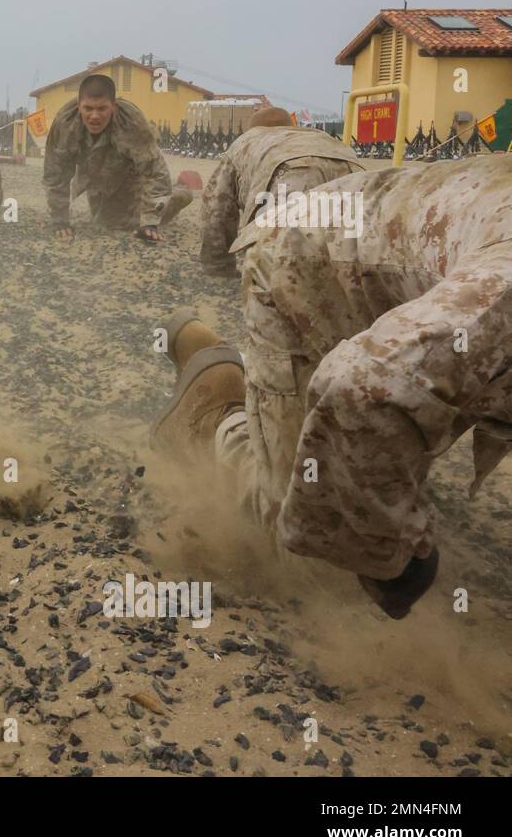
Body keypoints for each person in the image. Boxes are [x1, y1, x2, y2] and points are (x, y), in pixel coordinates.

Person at [150, 155, 512, 620]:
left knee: (369, 462)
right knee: (304, 543)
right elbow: (365, 389)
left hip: (394, 279)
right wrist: (392, 557)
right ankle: (217, 401)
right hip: (301, 264)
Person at [199, 106, 362, 277]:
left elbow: (216, 207)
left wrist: (217, 264)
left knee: (276, 261)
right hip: (351, 170)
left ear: (253, 130)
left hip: (289, 173)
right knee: (349, 245)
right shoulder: (321, 137)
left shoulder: (246, 141)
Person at [43, 74, 191, 244]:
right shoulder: (65, 123)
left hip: (128, 171)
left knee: (124, 223)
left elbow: (154, 171)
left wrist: (150, 223)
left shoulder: (131, 122)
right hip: (93, 172)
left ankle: (177, 196)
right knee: (101, 219)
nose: (95, 116)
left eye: (102, 109)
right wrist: (60, 220)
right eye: (88, 108)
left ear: (113, 106)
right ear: (79, 105)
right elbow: (55, 174)